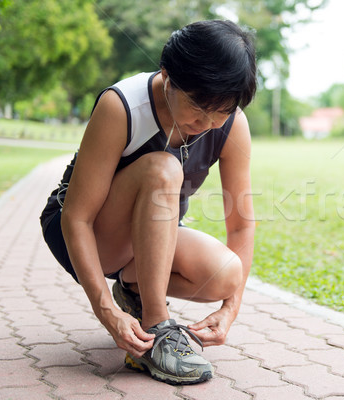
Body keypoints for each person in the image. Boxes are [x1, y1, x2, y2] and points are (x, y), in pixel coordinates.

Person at [40, 20, 257, 385]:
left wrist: (230, 309)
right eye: (198, 107)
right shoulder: (122, 106)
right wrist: (105, 311)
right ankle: (157, 331)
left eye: (221, 110)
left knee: (227, 276)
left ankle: (133, 289)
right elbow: (76, 217)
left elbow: (240, 223)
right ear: (168, 77)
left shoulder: (231, 123)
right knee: (163, 169)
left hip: (149, 235)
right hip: (84, 233)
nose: (206, 122)